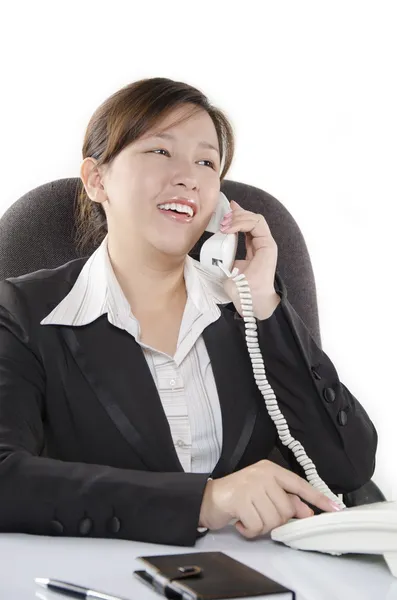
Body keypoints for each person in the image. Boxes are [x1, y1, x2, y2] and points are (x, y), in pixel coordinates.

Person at [0, 77, 377, 546]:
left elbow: (349, 467)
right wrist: (205, 500)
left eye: (206, 162)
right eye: (161, 152)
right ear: (98, 180)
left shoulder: (246, 308)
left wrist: (262, 304)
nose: (189, 176)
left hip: (258, 577)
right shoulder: (23, 312)